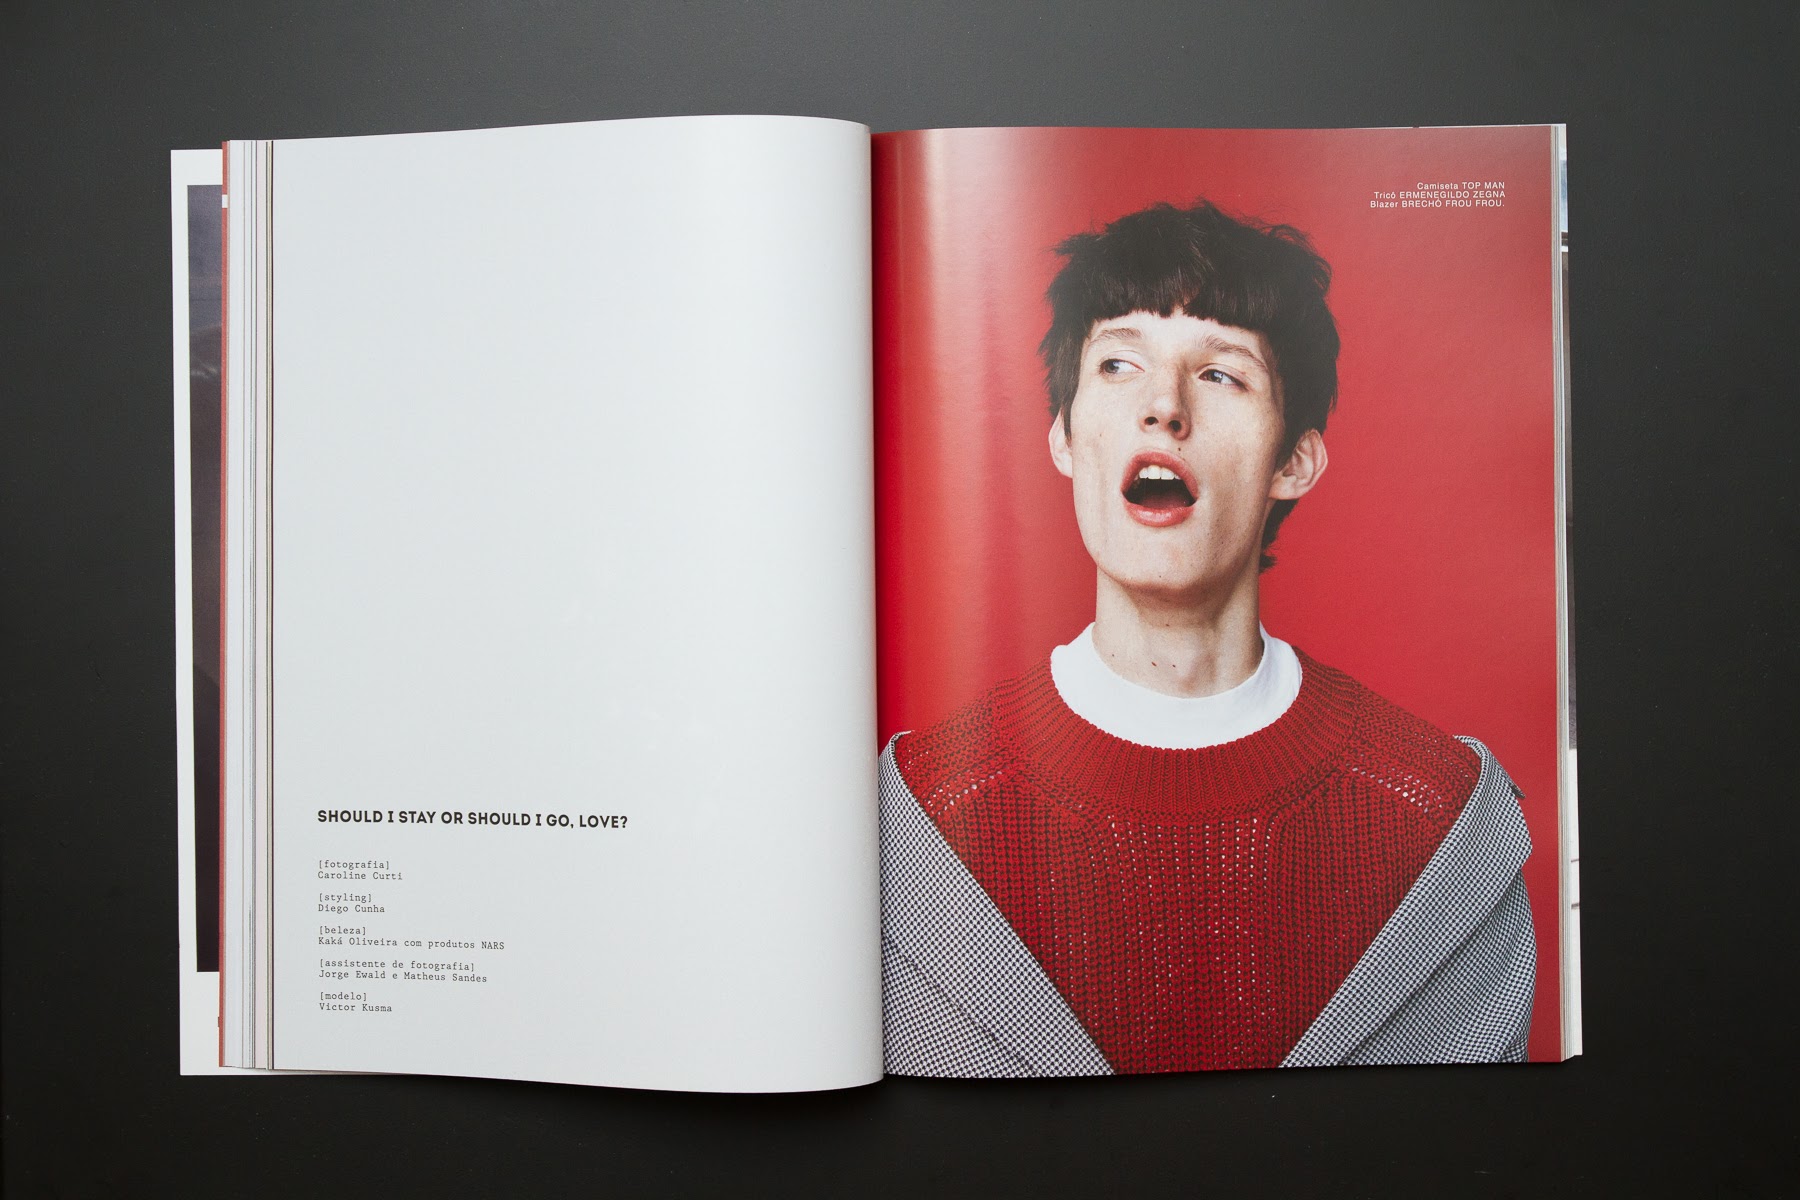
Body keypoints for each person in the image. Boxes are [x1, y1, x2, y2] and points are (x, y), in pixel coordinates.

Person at [879, 201, 1535, 1077]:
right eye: (1118, 363)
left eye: (1222, 374)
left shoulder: (1441, 817)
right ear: (1064, 435)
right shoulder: (919, 817)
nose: (1163, 406)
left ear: (1293, 461)